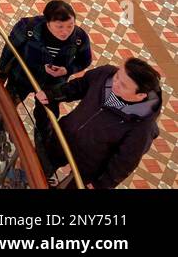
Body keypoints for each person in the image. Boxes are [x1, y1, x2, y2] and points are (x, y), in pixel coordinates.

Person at [35, 57, 163, 189]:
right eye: (118, 76)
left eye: (123, 85)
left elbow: (124, 162)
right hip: (62, 138)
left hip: (90, 166)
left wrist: (101, 184)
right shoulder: (105, 74)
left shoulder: (142, 127)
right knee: (38, 167)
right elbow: (79, 86)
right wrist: (53, 94)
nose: (115, 83)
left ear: (140, 96)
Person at [0, 0, 92, 146]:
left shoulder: (79, 38)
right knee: (6, 106)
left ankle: (42, 153)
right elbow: (10, 49)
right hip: (22, 77)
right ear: (47, 22)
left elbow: (84, 60)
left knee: (47, 119)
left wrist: (67, 70)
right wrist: (2, 70)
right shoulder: (28, 28)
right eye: (59, 27)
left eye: (70, 26)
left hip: (53, 86)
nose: (65, 31)